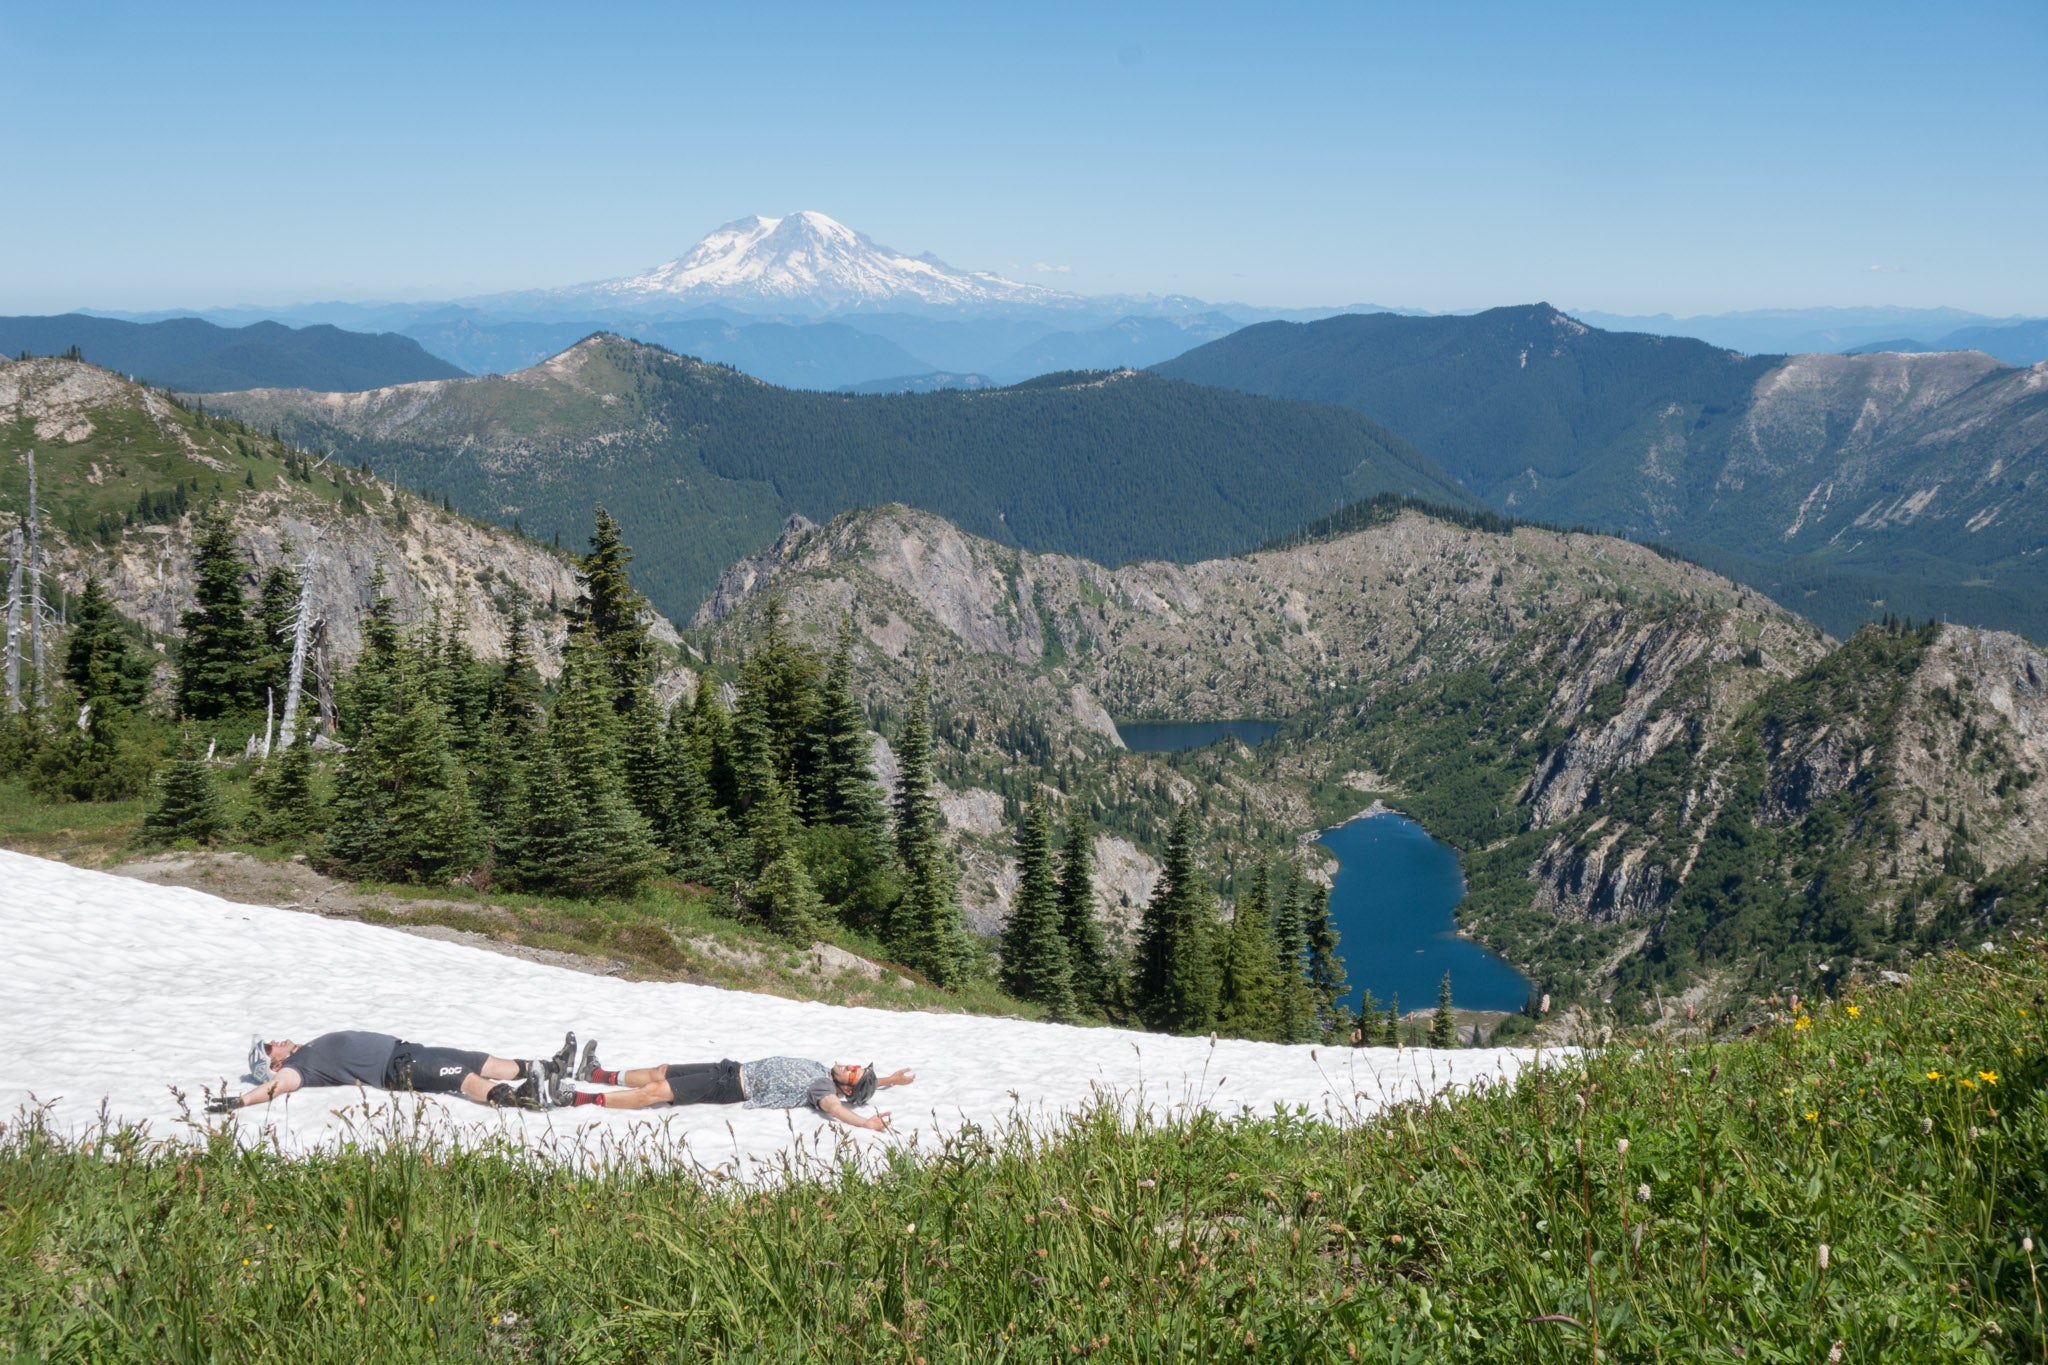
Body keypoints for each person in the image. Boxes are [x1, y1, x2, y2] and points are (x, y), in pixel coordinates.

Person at [558, 1041, 914, 1131]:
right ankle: (597, 1074)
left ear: (846, 1089)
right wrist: (890, 1080)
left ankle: (577, 1098)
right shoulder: (827, 1071)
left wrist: (866, 1123)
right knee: (661, 1070)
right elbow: (865, 1086)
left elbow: (836, 1109)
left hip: (729, 1087)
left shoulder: (823, 1088)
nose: (850, 1066)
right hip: (730, 1068)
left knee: (656, 1093)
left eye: (853, 1072)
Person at [206, 1030, 577, 1114]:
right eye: (271, 1046)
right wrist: (240, 1101)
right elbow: (278, 1088)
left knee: (482, 1060)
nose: (277, 1040)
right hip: (397, 1069)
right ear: (273, 1063)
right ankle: (519, 1097)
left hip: (408, 1050)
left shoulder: (306, 1049)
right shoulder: (298, 1068)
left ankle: (552, 1067)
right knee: (458, 1077)